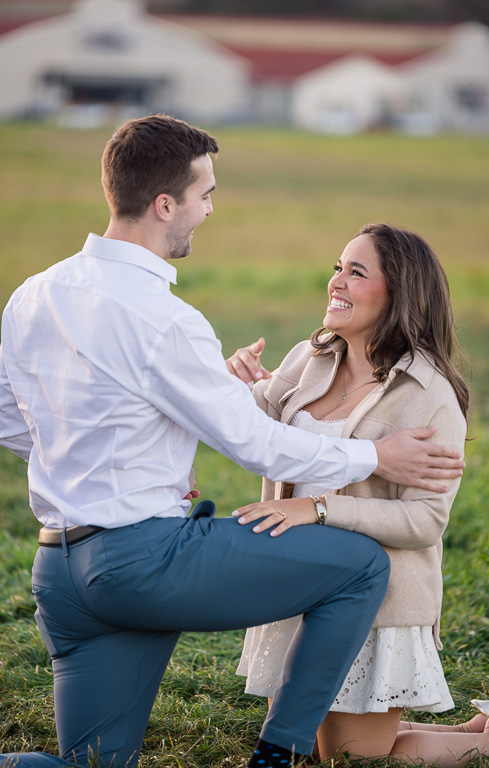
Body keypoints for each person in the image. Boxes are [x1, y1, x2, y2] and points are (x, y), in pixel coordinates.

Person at [0, 116, 465, 768]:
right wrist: (375, 456)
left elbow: (13, 422)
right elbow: (257, 446)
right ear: (166, 204)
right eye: (205, 194)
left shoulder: (32, 294)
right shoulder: (168, 319)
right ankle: (279, 751)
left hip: (60, 571)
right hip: (142, 563)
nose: (210, 209)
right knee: (360, 567)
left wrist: (94, 461)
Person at [228, 223, 489, 767]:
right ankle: (478, 725)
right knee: (309, 747)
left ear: (399, 294)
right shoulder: (310, 357)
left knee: (352, 757)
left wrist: (316, 509)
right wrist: (237, 388)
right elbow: (263, 429)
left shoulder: (429, 396)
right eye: (338, 266)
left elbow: (425, 522)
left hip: (374, 605)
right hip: (297, 587)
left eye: (356, 272)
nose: (337, 281)